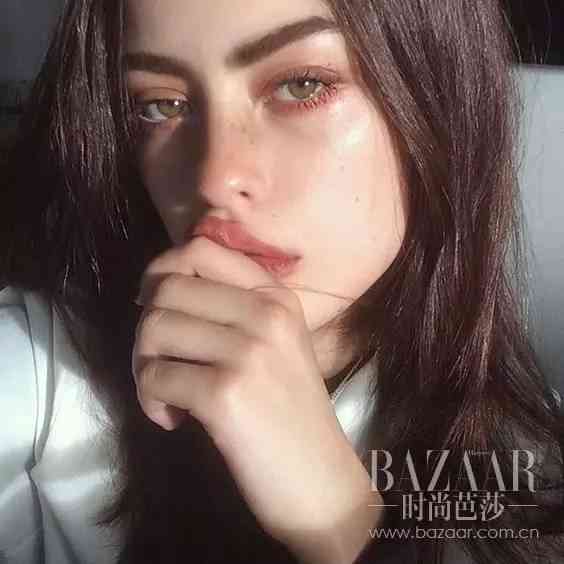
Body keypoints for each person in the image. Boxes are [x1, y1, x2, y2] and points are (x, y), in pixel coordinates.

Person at [0, 0, 563, 562]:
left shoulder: (537, 453)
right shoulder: (45, 370)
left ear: (442, 101)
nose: (214, 178)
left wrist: (342, 526)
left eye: (301, 85)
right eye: (162, 105)